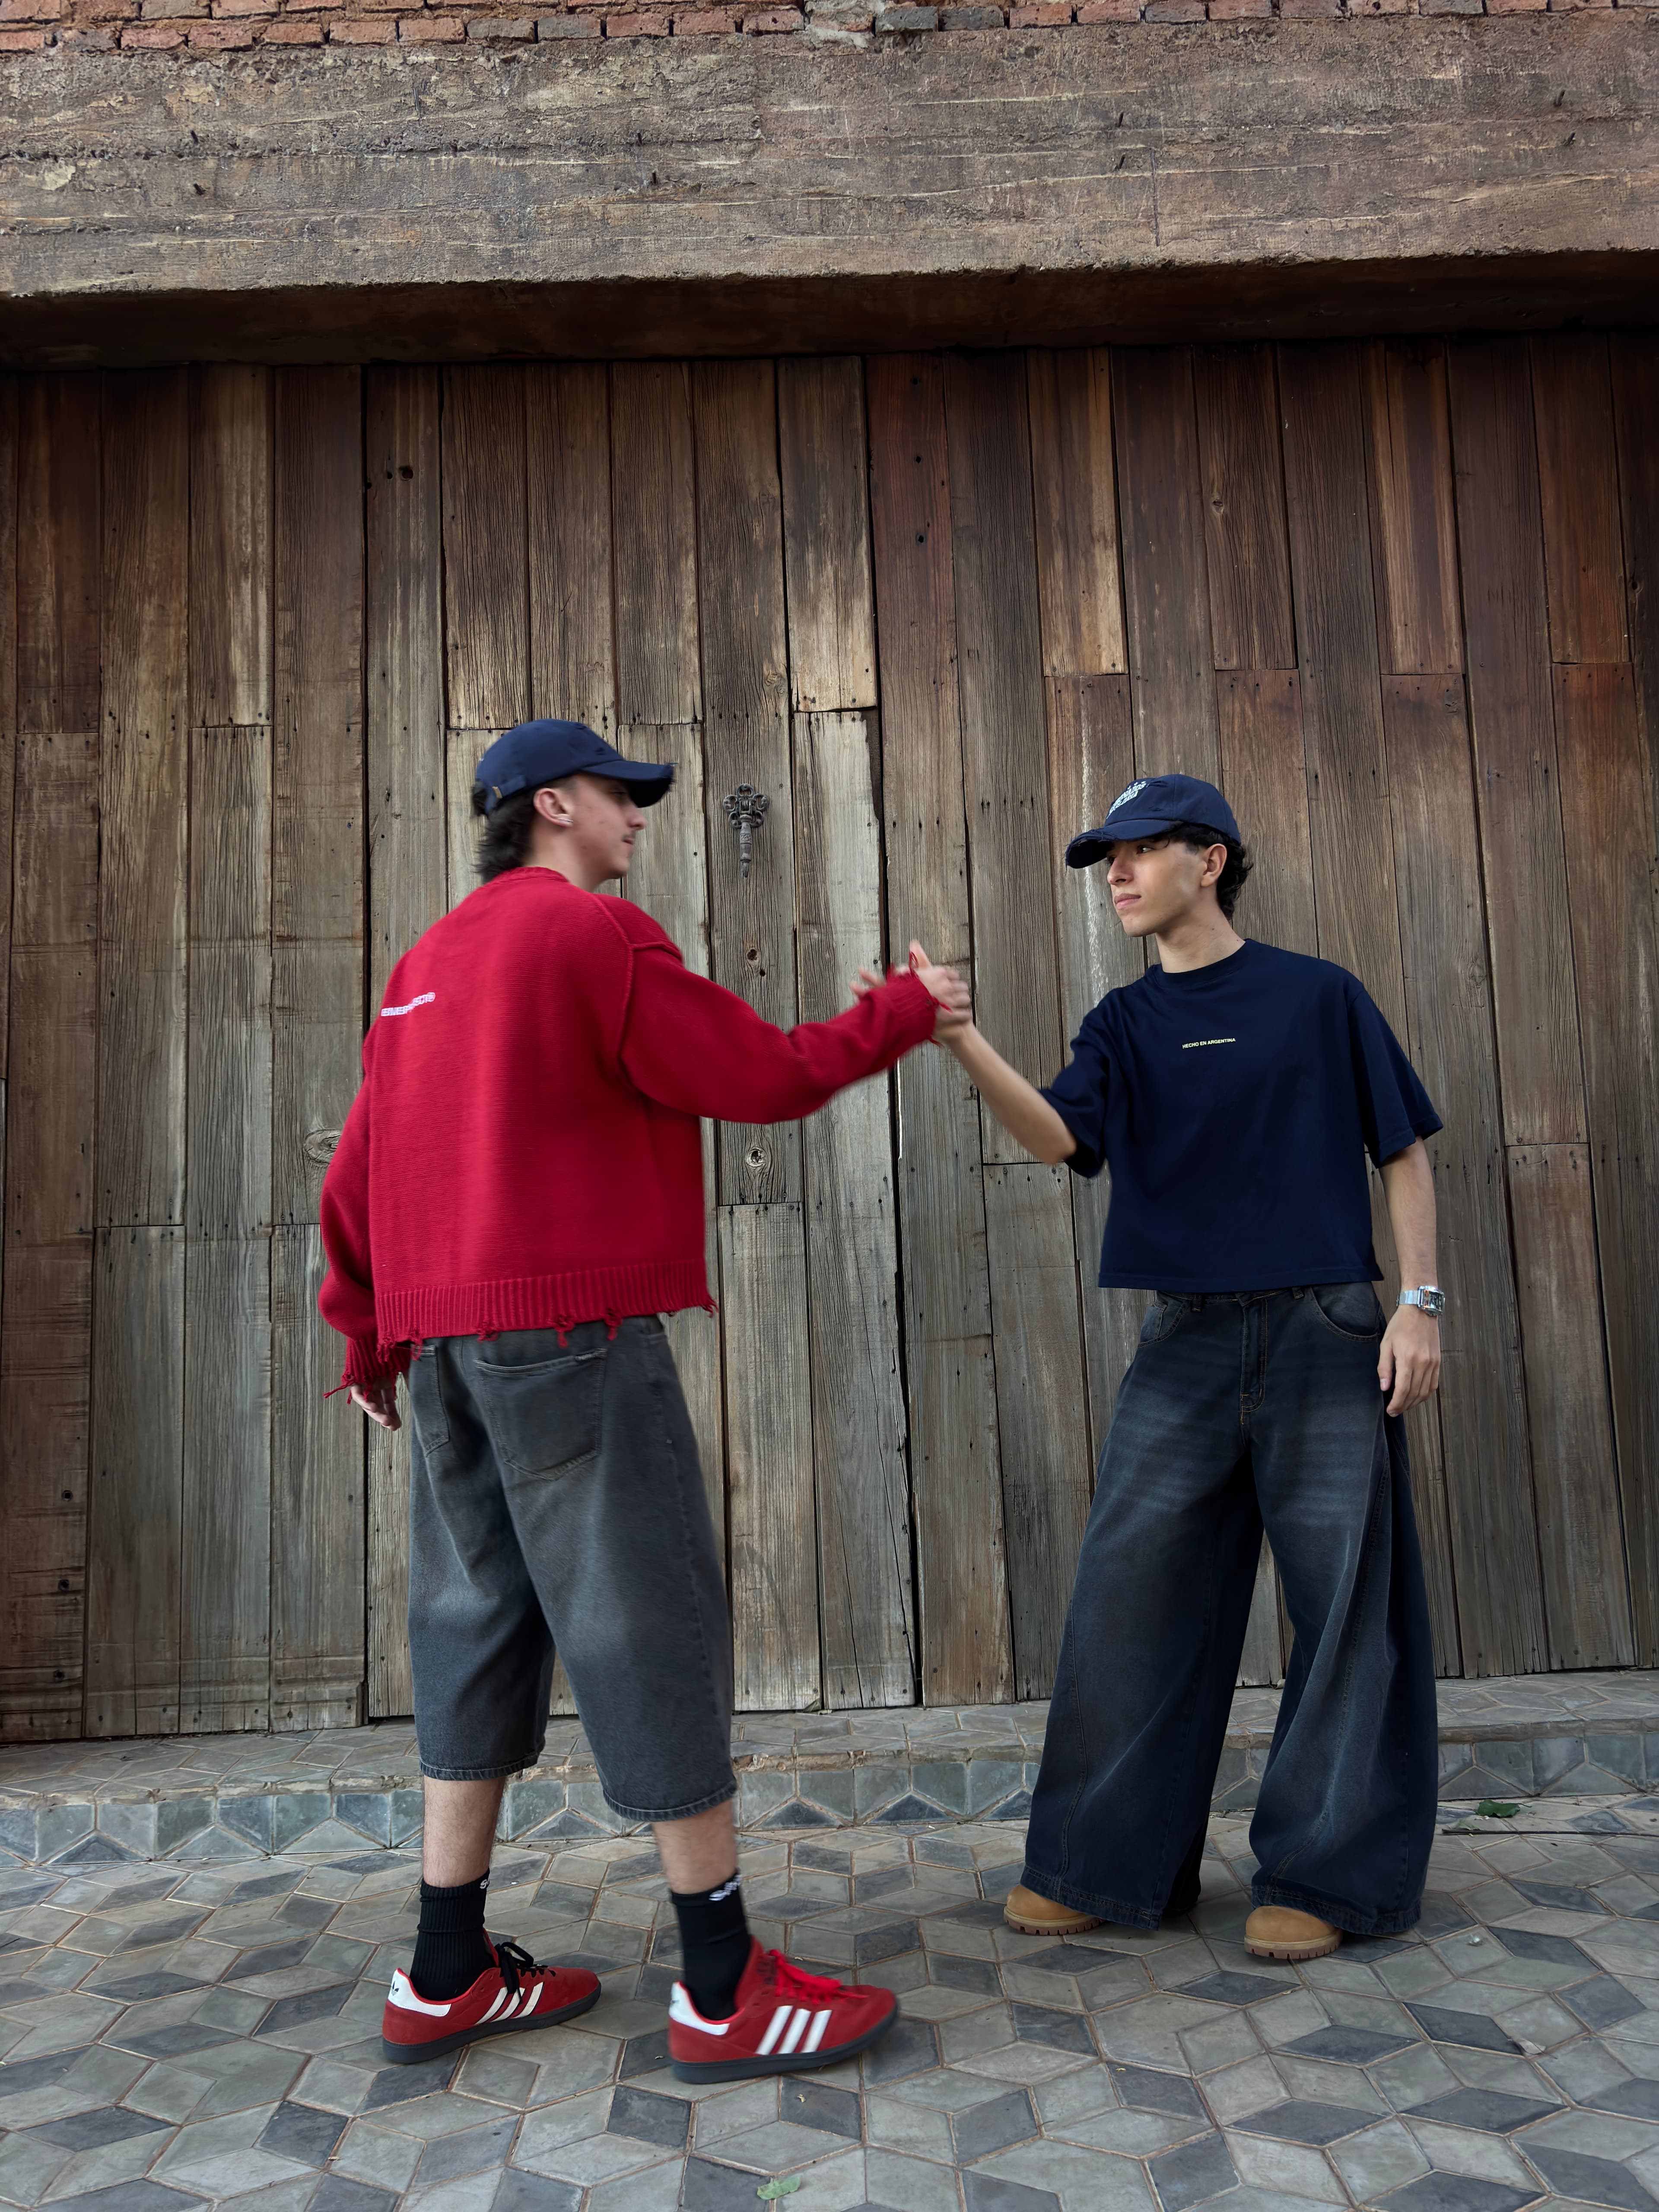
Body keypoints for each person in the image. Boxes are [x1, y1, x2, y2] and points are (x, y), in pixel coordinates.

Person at [318, 718, 969, 2077]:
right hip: (569, 1337)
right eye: (626, 795)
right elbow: (760, 1075)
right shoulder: (594, 941)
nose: (644, 816)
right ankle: (725, 1987)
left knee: (471, 1628)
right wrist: (905, 1012)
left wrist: (369, 1335)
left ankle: (445, 1970)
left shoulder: (422, 967)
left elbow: (357, 1172)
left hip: (443, 1351)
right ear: (553, 803)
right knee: (648, 1621)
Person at [925, 772, 1443, 1964]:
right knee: (1129, 1597)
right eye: (1105, 857)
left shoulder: (1320, 998)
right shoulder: (1122, 1027)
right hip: (1185, 1342)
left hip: (1328, 1330)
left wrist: (1418, 1305)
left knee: (1344, 1606)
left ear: (1209, 860)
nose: (1114, 872)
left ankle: (1328, 1876)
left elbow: (1404, 1151)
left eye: (1137, 851)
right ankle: (1102, 1866)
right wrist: (960, 1041)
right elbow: (1064, 1140)